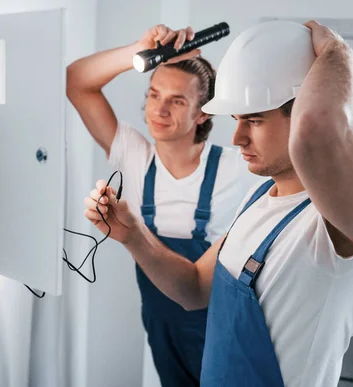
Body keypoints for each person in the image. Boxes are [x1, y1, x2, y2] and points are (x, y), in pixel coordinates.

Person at [82, 19, 353, 387]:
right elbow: (193, 289)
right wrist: (132, 235)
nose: (237, 138)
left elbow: (319, 130)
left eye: (253, 120)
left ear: (299, 115)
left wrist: (337, 52)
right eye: (236, 120)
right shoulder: (257, 199)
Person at [65, 24, 257, 386]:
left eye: (178, 100)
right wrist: (137, 49)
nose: (160, 109)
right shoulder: (133, 156)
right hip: (159, 324)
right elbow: (76, 80)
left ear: (203, 113)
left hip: (219, 329)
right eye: (154, 95)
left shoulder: (239, 168)